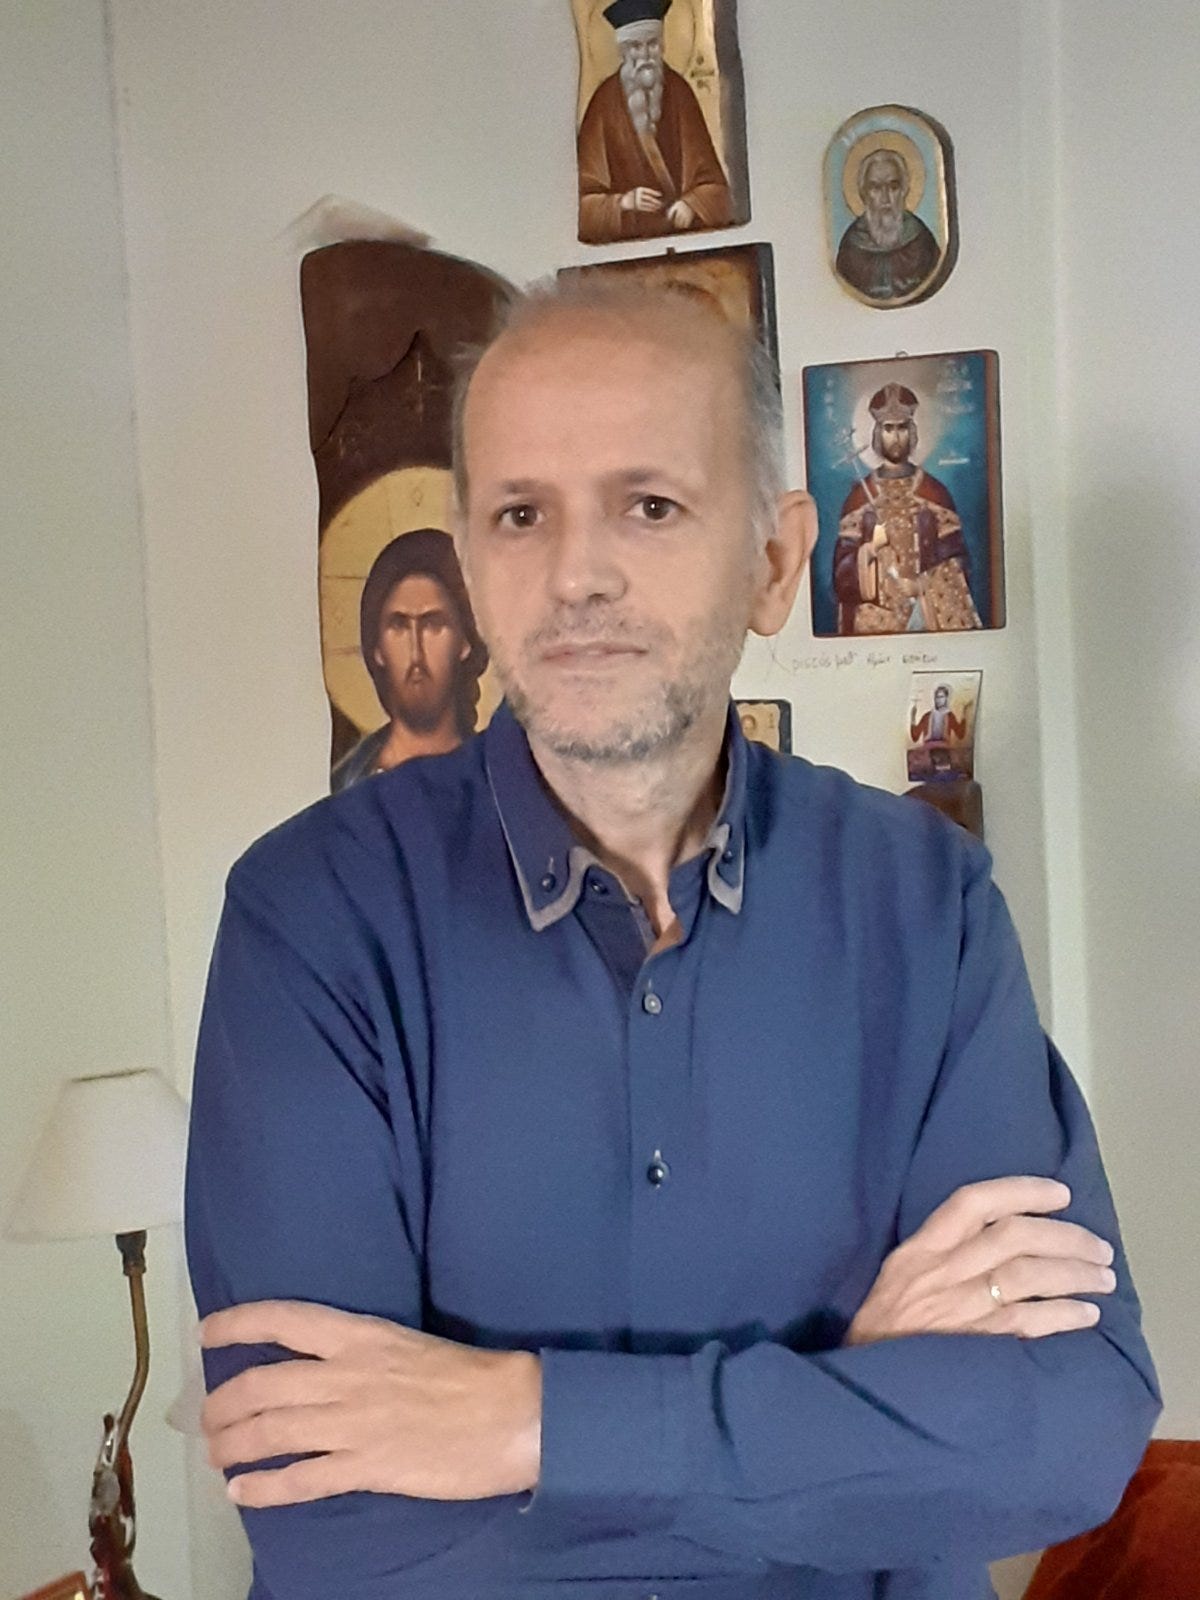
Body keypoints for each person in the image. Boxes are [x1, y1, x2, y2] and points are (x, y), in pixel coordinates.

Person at [187, 282, 1158, 1600]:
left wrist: (529, 1424)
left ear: (775, 560)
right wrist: (846, 1406)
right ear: (469, 561)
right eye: (520, 514)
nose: (576, 573)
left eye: (648, 505)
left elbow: (1066, 1429)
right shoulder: (310, 919)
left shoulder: (926, 902)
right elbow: (334, 1515)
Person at [330, 526, 487, 792]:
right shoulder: (347, 785)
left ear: (465, 643)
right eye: (399, 626)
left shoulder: (497, 782)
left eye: (433, 625)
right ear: (377, 649)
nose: (416, 651)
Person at [577, 0, 734, 243]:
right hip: (626, 248)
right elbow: (585, 206)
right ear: (623, 51)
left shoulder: (679, 93)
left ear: (662, 46)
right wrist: (625, 202)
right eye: (635, 46)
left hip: (686, 240)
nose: (645, 56)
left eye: (652, 44)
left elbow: (714, 185)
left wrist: (692, 204)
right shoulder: (603, 104)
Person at [833, 381, 982, 633]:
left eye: (902, 428)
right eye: (888, 428)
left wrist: (922, 586)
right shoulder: (859, 497)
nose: (895, 437)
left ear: (911, 432)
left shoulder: (934, 492)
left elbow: (958, 562)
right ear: (878, 433)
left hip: (922, 615)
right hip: (875, 620)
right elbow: (841, 575)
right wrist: (869, 551)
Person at [835, 148, 941, 303]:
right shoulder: (851, 248)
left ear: (904, 190)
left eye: (893, 187)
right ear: (864, 193)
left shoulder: (922, 242)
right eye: (876, 188)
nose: (885, 198)